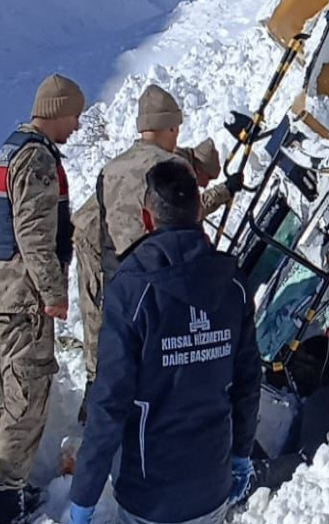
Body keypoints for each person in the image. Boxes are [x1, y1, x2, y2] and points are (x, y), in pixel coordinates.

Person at [68, 160, 261, 524]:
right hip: (211, 484)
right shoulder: (231, 283)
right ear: (199, 211)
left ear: (147, 217)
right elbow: (248, 381)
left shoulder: (131, 290)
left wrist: (84, 496)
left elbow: (109, 402)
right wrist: (241, 454)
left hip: (149, 493)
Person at [75, 113, 237, 422]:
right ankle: (96, 396)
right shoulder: (173, 168)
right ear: (197, 170)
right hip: (99, 236)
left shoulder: (170, 162)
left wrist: (225, 191)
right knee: (103, 316)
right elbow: (183, 213)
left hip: (114, 235)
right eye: (204, 180)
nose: (203, 185)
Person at [0, 73, 84, 524]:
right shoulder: (38, 160)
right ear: (56, 111)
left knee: (14, 393)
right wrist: (53, 292)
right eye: (75, 117)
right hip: (24, 298)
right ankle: (9, 500)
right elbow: (34, 235)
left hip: (8, 291)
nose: (77, 127)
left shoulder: (12, 149)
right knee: (25, 397)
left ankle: (11, 485)